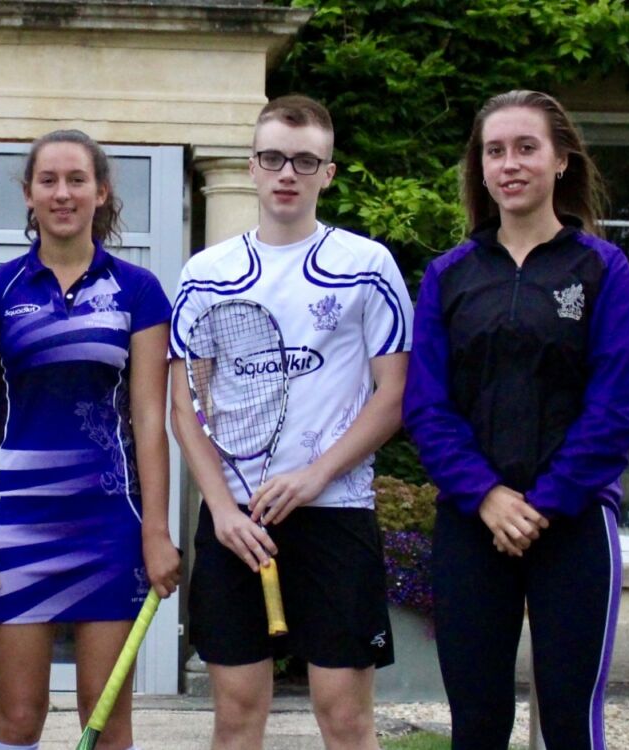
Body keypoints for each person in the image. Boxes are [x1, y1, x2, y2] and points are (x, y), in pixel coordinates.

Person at [402, 90, 629, 750]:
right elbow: (426, 405)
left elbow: (621, 402)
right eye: (495, 151)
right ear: (480, 169)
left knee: (570, 720)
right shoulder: (449, 275)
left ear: (561, 160)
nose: (510, 163)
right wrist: (485, 496)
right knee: (478, 722)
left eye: (526, 148)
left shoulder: (602, 267)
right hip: (471, 524)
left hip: (571, 524)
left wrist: (543, 503)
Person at [168, 94, 413, 750]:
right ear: (251, 165)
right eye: (273, 157)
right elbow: (188, 405)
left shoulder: (368, 268)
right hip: (234, 524)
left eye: (305, 161)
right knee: (237, 716)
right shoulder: (204, 275)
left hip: (335, 513)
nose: (287, 173)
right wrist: (220, 510)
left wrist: (313, 476)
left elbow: (392, 397)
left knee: (344, 717)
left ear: (327, 174)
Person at [0, 130, 180, 750]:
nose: (62, 193)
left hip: (110, 527)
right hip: (16, 527)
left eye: (76, 180)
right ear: (28, 194)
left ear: (101, 192)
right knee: (18, 719)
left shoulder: (138, 291)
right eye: (47, 180)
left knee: (105, 724)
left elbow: (147, 422)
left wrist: (156, 531)